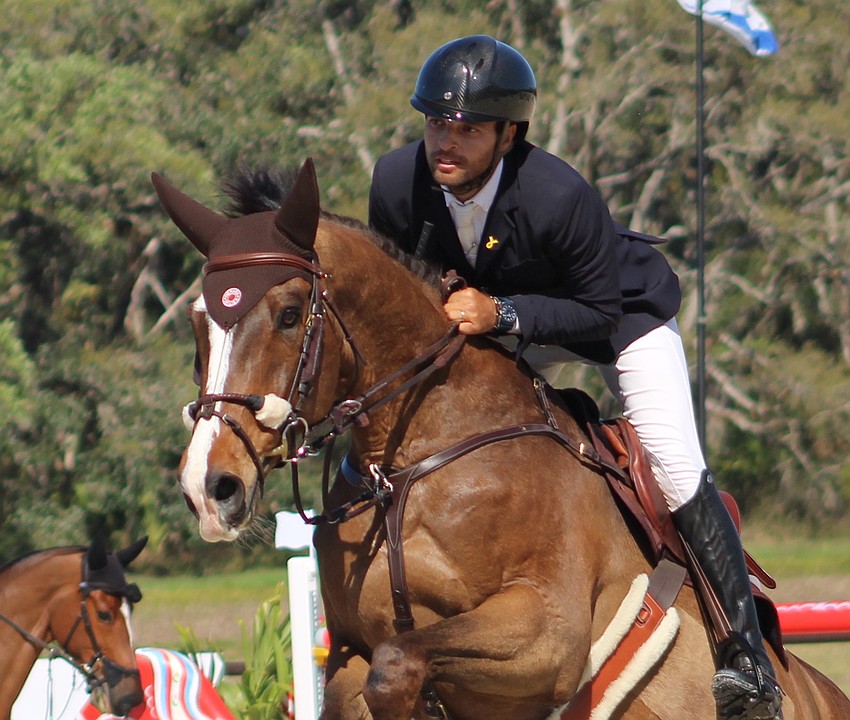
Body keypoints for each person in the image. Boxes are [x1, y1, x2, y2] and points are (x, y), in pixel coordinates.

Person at [368, 35, 783, 720]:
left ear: (508, 134)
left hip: (615, 319)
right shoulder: (395, 181)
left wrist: (501, 311)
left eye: (468, 129)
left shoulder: (557, 194)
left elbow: (597, 311)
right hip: (503, 324)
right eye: (437, 122)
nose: (446, 141)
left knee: (675, 464)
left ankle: (748, 661)